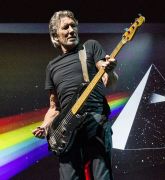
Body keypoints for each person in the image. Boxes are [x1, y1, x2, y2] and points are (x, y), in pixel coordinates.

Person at [32, 10, 117, 180]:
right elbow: (54, 107)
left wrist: (111, 70)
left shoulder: (90, 47)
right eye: (65, 27)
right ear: (56, 35)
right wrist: (45, 125)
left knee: (101, 176)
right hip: (66, 128)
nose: (71, 30)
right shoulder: (52, 67)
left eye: (73, 26)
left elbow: (109, 79)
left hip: (95, 121)